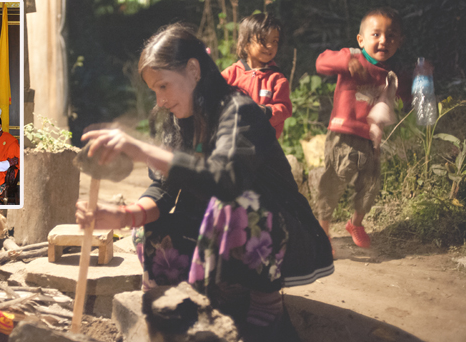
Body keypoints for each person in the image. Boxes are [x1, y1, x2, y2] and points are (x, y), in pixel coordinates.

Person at [76, 23, 333, 341]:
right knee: (152, 233)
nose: (161, 100)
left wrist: (143, 150)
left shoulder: (238, 111)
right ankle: (202, 302)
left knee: (237, 208)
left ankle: (267, 311)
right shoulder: (173, 119)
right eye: (154, 91)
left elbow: (226, 181)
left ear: (194, 70)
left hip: (278, 231)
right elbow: (163, 189)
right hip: (217, 230)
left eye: (164, 86)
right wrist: (125, 215)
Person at [315, 7, 404, 249]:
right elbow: (321, 62)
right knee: (334, 181)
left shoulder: (388, 76)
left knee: (371, 184)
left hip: (370, 140)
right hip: (343, 134)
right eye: (376, 34)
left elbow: (389, 106)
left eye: (391, 36)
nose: (383, 40)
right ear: (361, 39)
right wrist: (347, 61)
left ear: (398, 42)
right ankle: (323, 232)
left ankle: (356, 222)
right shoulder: (353, 56)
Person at [221, 13, 292, 139]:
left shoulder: (277, 79)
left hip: (263, 145)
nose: (270, 46)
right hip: (232, 141)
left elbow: (284, 108)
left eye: (274, 41)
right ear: (246, 43)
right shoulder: (230, 74)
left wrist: (265, 111)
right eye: (263, 40)